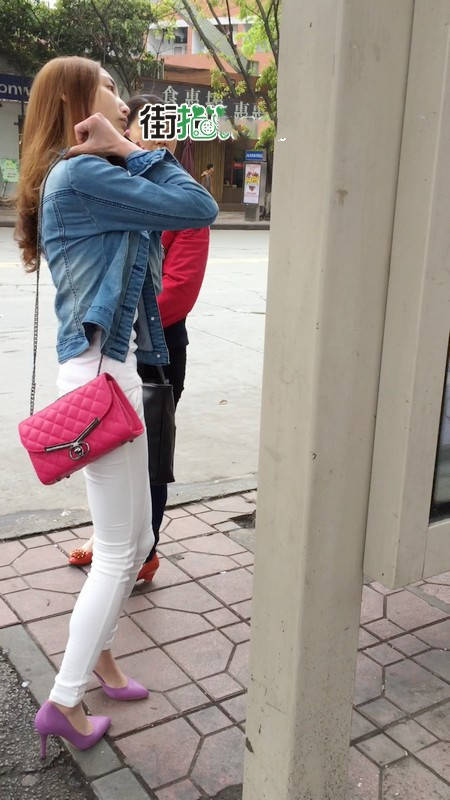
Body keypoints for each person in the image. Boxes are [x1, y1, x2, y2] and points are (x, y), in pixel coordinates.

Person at [15, 56, 218, 756]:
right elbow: (199, 207)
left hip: (107, 376)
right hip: (102, 384)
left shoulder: (86, 176)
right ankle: (64, 700)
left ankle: (99, 660)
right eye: (107, 85)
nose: (122, 99)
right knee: (119, 551)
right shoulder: (82, 175)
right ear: (75, 103)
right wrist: (131, 150)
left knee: (131, 545)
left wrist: (125, 152)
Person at [68, 95, 211, 582]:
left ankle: (144, 549)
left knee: (149, 456)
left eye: (163, 129)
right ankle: (110, 538)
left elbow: (180, 290)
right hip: (114, 346)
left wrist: (122, 324)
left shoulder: (179, 197)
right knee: (109, 450)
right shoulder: (112, 184)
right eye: (141, 125)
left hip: (157, 348)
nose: (150, 137)